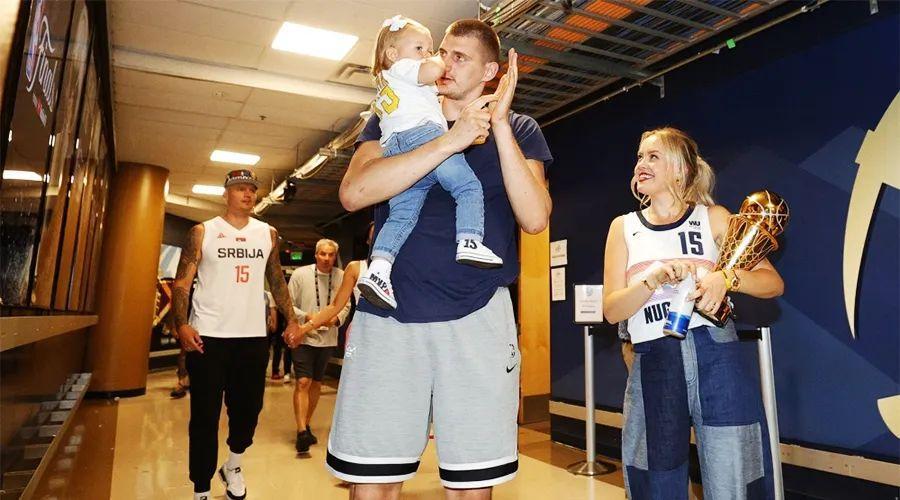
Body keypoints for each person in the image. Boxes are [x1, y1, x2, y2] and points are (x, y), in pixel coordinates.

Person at [307, 18, 553, 500]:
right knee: (373, 480)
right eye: (442, 51)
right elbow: (355, 193)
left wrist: (499, 125)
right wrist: (449, 140)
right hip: (389, 316)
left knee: (470, 485)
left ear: (490, 72)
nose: (443, 62)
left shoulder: (521, 128)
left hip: (477, 316)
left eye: (459, 57)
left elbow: (535, 217)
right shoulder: (394, 113)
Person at [602, 127, 785, 499]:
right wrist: (650, 280)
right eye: (640, 157)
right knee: (655, 474)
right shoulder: (623, 228)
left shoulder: (713, 217)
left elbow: (772, 283)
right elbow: (611, 310)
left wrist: (726, 278)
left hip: (717, 353)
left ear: (681, 169)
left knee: (733, 471)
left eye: (653, 156)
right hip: (653, 358)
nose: (641, 164)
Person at [355, 15, 504, 311]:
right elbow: (433, 70)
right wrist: (437, 60)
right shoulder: (404, 68)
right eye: (421, 48)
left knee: (402, 215)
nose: (432, 56)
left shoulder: (399, 82)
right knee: (467, 186)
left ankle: (379, 270)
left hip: (397, 148)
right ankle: (470, 240)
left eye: (430, 49)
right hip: (423, 136)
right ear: (392, 53)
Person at [172, 169, 300, 500]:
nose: (247, 193)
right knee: (205, 415)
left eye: (251, 189)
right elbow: (182, 283)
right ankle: (201, 489)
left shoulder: (267, 233)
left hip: (252, 337)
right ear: (225, 194)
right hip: (208, 337)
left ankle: (233, 466)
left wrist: (292, 320)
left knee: (248, 411)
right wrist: (182, 324)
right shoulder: (203, 231)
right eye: (239, 188)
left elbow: (276, 280)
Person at [287, 238, 351, 453]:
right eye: (322, 254)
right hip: (304, 336)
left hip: (328, 338)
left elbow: (346, 305)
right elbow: (288, 304)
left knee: (316, 383)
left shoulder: (342, 276)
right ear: (316, 254)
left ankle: (306, 424)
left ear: (335, 256)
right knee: (303, 381)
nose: (326, 258)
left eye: (331, 255)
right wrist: (307, 317)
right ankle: (301, 432)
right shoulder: (300, 274)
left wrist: (336, 319)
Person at [300, 223, 375, 340]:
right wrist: (302, 329)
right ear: (368, 241)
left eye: (331, 254)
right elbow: (336, 305)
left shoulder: (400, 270)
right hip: (363, 333)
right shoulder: (355, 267)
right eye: (374, 236)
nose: (326, 258)